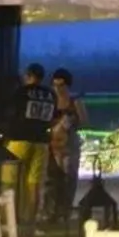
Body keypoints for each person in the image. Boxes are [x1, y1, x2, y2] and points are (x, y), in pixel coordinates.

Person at [1, 63, 56, 223]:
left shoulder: (21, 92)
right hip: (41, 142)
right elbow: (53, 118)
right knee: (34, 183)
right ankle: (31, 219)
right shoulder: (50, 94)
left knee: (9, 179)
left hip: (19, 139)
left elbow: (10, 113)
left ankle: (9, 217)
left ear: (28, 76)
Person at [42, 68, 89, 222]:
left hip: (70, 143)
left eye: (61, 85)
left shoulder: (75, 101)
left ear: (67, 85)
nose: (58, 88)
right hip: (53, 143)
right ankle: (51, 211)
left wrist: (71, 122)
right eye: (55, 85)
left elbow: (84, 122)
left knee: (69, 178)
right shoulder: (50, 101)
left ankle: (65, 211)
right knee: (52, 178)